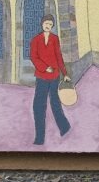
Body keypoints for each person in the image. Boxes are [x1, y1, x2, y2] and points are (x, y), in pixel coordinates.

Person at [29, 14, 71, 145]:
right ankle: (39, 137)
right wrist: (44, 68)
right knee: (38, 106)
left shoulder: (55, 38)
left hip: (54, 76)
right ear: (42, 24)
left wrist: (65, 73)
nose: (48, 26)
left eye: (51, 25)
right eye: (46, 24)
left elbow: (59, 56)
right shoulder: (35, 40)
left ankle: (64, 127)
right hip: (42, 76)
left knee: (55, 104)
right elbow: (33, 57)